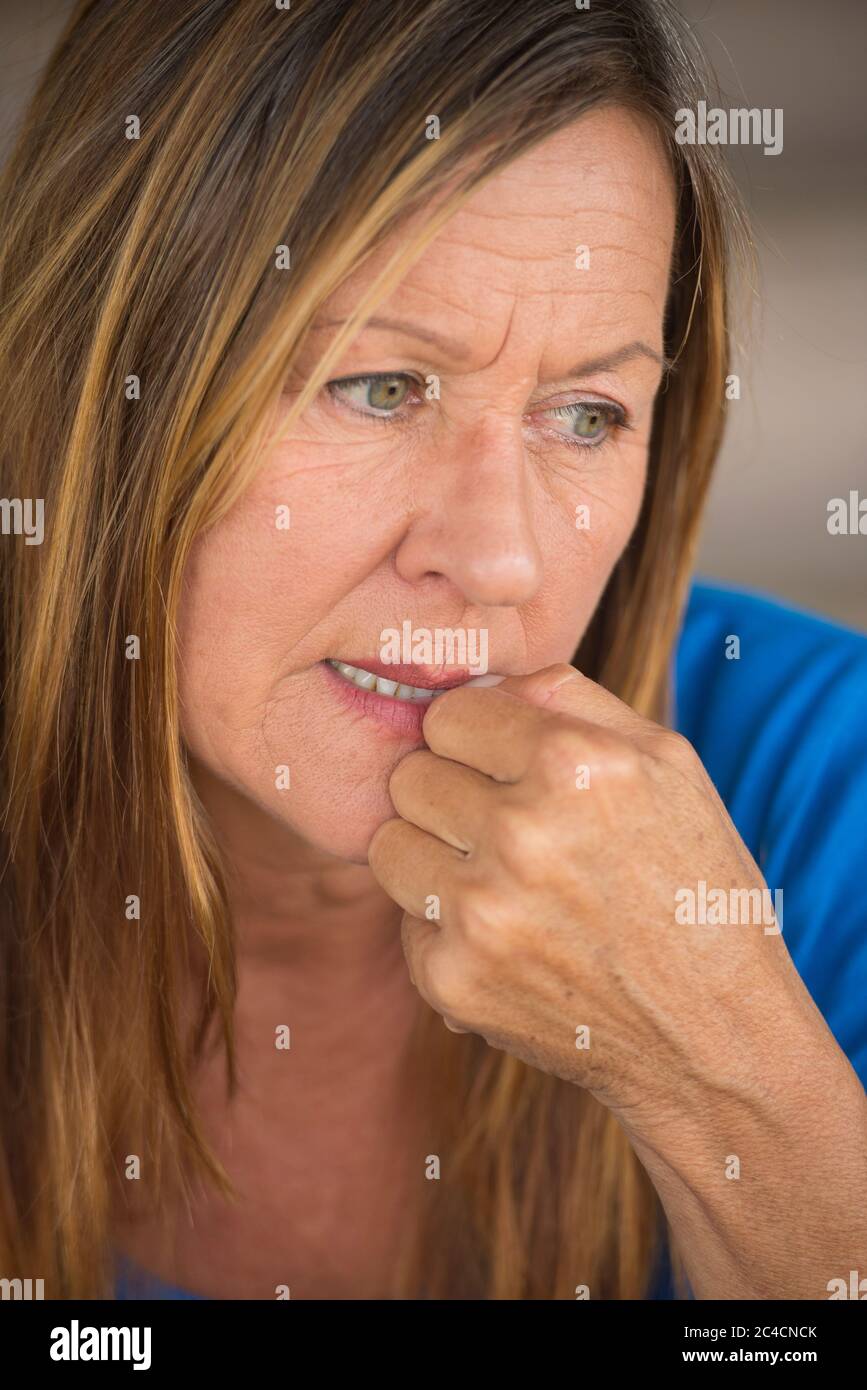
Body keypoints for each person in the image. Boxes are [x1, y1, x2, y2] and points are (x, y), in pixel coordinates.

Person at [1, 0, 865, 1302]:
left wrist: (727, 1078)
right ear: (104, 384)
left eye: (587, 412)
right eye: (381, 385)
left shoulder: (823, 791)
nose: (502, 560)